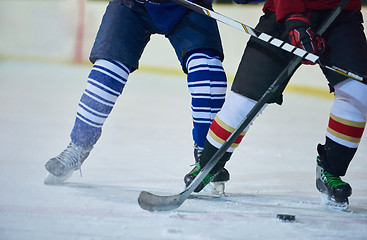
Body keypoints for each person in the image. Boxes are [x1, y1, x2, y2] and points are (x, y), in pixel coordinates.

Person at [184, 0, 367, 210]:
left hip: (341, 15)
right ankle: (209, 164)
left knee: (358, 93)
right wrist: (294, 18)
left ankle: (330, 171)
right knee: (245, 100)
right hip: (283, 13)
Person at [44, 0, 231, 186]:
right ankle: (79, 145)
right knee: (107, 72)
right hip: (131, 4)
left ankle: (207, 155)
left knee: (207, 73)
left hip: (189, 4)